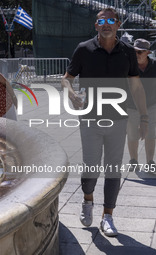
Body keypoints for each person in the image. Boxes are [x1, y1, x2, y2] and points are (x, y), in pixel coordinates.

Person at [61, 8, 148, 237]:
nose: (107, 24)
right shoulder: (84, 49)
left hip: (119, 119)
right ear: (96, 25)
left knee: (113, 169)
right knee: (90, 167)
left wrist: (144, 117)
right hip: (90, 117)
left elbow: (137, 87)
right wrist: (71, 94)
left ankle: (107, 215)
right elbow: (66, 79)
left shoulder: (127, 51)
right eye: (102, 21)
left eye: (111, 20)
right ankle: (88, 199)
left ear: (118, 25)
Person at [127, 38, 156, 171]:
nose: (137, 54)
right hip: (131, 106)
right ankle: (134, 160)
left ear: (148, 52)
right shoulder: (128, 65)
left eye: (140, 52)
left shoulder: (154, 65)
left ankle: (150, 161)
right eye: (135, 52)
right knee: (132, 134)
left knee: (150, 134)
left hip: (151, 105)